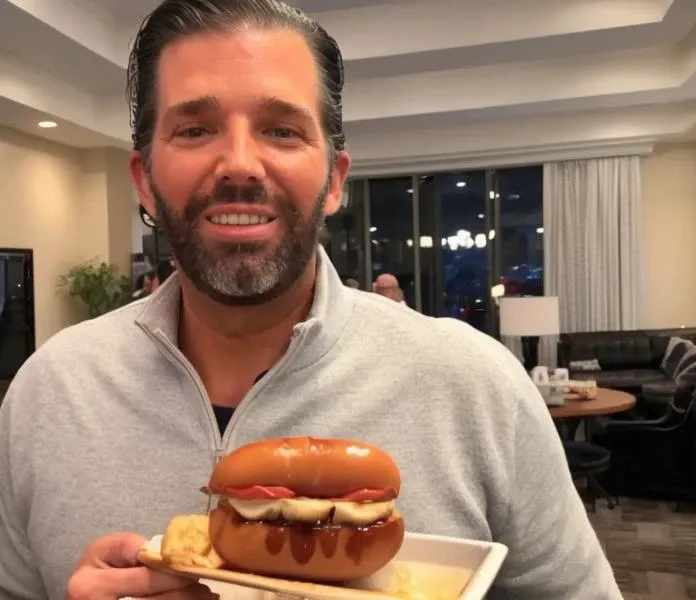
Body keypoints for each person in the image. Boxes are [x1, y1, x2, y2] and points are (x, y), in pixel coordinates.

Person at [0, 1, 622, 599]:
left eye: (281, 130)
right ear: (144, 180)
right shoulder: (47, 391)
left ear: (334, 181)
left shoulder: (478, 386)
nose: (239, 164)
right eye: (194, 129)